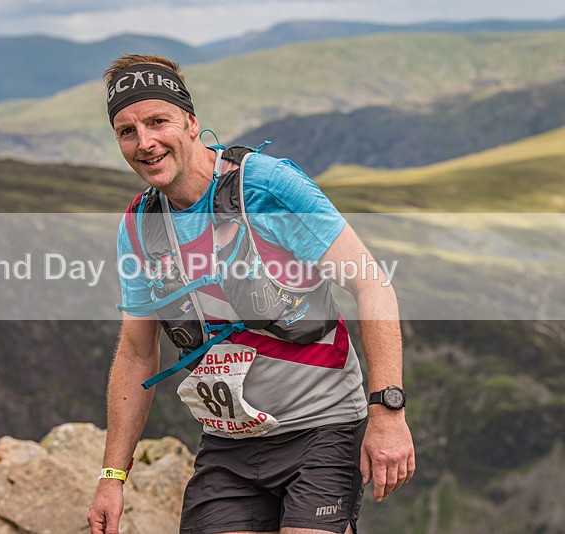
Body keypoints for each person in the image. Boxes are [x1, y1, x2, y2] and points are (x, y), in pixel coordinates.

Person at [87, 54, 414, 534]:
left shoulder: (268, 186)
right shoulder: (139, 227)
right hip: (229, 443)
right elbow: (137, 355)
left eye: (158, 122)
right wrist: (112, 477)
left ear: (192, 122)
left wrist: (386, 410)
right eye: (127, 131)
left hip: (322, 427)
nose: (145, 143)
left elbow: (372, 283)